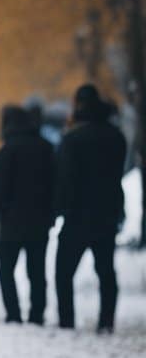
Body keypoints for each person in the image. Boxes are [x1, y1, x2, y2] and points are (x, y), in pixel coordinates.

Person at [54, 84, 127, 333]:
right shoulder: (116, 136)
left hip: (77, 215)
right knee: (106, 271)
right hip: (107, 212)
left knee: (63, 272)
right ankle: (106, 322)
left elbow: (65, 179)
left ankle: (67, 321)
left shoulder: (73, 138)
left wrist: (61, 210)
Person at [0, 105, 55, 325]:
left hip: (12, 220)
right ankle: (37, 314)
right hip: (40, 219)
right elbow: (56, 183)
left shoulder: (8, 150)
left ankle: (13, 313)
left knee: (6, 269)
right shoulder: (46, 147)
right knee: (37, 270)